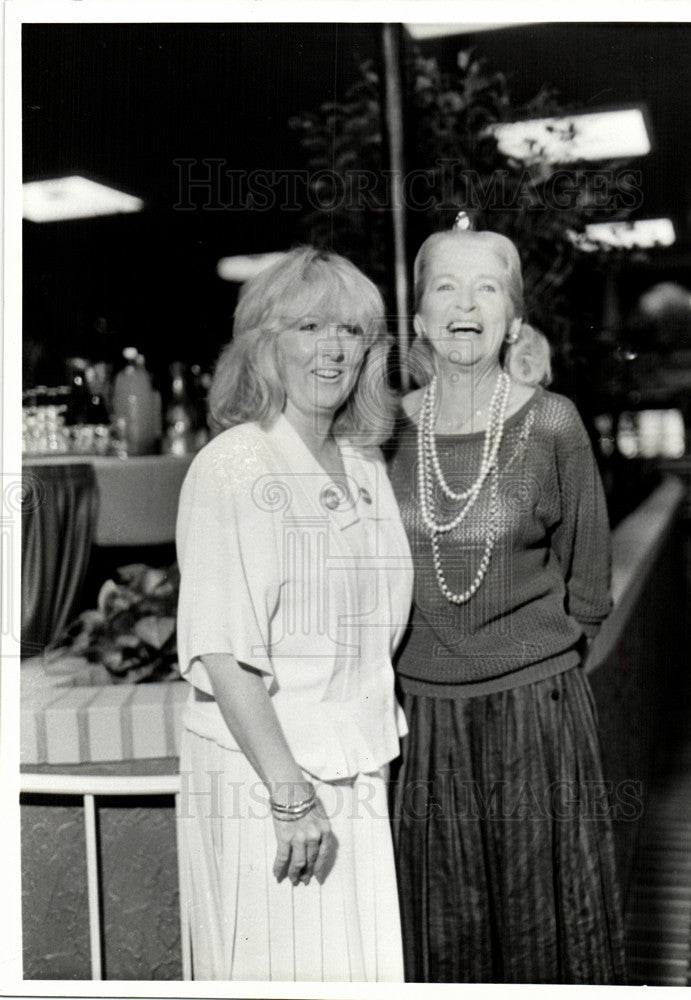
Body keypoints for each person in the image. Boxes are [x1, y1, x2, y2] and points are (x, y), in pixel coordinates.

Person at [388, 227, 627, 984]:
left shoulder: (553, 422)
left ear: (514, 318)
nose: (466, 303)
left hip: (537, 714)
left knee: (548, 938)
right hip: (421, 723)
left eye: (487, 287)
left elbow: (589, 585)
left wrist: (533, 667)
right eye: (445, 288)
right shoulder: (381, 430)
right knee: (442, 943)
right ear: (419, 318)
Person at [176, 246, 414, 981]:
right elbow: (224, 654)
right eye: (309, 327)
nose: (334, 348)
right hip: (271, 785)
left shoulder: (366, 464)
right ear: (263, 346)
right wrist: (290, 797)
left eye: (352, 331)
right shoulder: (235, 464)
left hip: (353, 773)